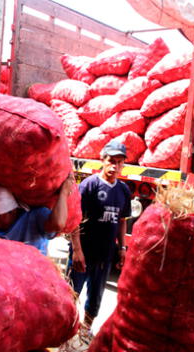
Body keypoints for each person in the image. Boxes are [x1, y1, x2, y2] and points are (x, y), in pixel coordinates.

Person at [69, 140, 132, 344]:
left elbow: (122, 221)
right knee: (71, 293)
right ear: (102, 160)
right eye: (111, 161)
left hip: (104, 254)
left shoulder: (123, 191)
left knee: (96, 296)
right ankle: (65, 329)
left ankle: (85, 330)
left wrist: (122, 248)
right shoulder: (89, 185)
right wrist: (77, 251)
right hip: (84, 252)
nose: (114, 166)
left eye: (119, 162)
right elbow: (74, 220)